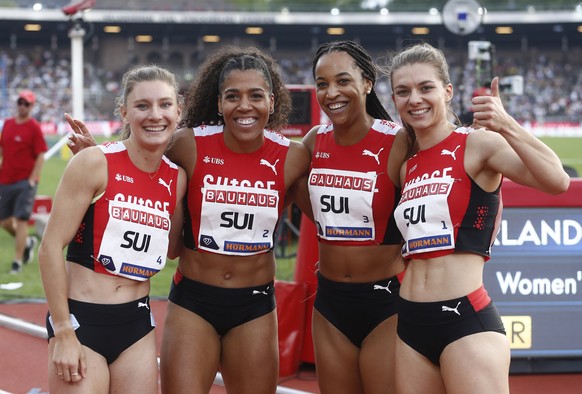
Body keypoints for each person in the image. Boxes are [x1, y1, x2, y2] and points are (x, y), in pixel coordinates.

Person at [65, 46, 311, 393]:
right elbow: (137, 158)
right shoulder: (188, 145)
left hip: (254, 304)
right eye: (232, 96)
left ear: (272, 101)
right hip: (194, 301)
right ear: (218, 102)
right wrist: (96, 157)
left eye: (255, 96)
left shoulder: (293, 156)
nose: (244, 106)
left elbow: (325, 216)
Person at [387, 42, 570, 394]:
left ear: (447, 91)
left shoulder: (478, 144)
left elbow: (557, 180)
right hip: (410, 323)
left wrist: (506, 124)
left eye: (426, 88)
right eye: (403, 91)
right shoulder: (407, 165)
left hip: (465, 321)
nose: (415, 99)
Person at [38, 65, 186, 393]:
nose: (155, 115)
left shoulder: (178, 179)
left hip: (136, 326)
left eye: (164, 104)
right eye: (142, 105)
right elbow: (49, 247)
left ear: (179, 109)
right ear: (124, 112)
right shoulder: (93, 163)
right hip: (81, 322)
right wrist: (63, 331)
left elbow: (173, 249)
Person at [300, 40, 407, 393]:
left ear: (367, 83)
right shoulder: (315, 141)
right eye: (322, 83)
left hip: (385, 303)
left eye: (343, 80)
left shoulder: (399, 142)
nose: (332, 92)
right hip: (330, 304)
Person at [0, 90, 47, 274]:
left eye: (26, 103)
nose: (22, 106)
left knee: (21, 221)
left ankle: (17, 262)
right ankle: (27, 242)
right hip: (6, 180)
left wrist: (32, 179)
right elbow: (3, 150)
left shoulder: (34, 127)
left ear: (31, 106)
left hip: (25, 183)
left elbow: (41, 154)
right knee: (4, 222)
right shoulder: (8, 124)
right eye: (20, 102)